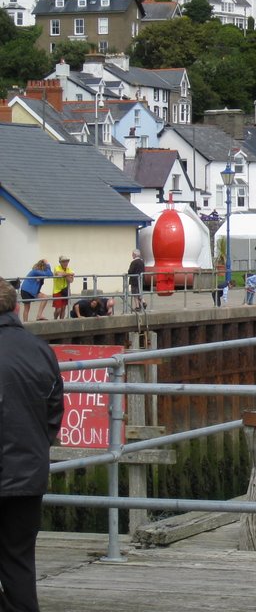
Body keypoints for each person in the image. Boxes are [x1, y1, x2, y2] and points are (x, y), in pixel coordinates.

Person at [0, 278, 65, 612]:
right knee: (19, 562)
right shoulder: (41, 350)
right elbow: (54, 412)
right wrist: (37, 447)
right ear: (16, 307)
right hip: (27, 473)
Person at [51, 256, 74, 320]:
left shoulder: (68, 269)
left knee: (63, 308)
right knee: (58, 309)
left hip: (65, 290)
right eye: (63, 262)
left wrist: (65, 274)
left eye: (66, 261)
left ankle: (61, 321)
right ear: (60, 262)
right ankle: (55, 319)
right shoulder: (57, 267)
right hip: (57, 291)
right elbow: (58, 274)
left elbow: (71, 280)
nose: (65, 263)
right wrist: (68, 274)